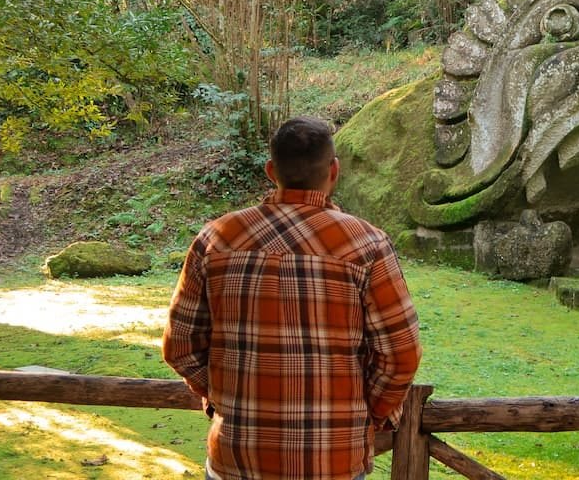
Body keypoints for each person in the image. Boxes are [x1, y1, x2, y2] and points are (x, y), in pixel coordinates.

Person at [163, 116, 422, 480]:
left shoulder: (216, 239)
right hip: (332, 461)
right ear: (334, 170)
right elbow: (402, 355)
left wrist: (227, 400)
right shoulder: (366, 245)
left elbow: (179, 348)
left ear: (271, 170)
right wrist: (365, 415)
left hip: (237, 458)